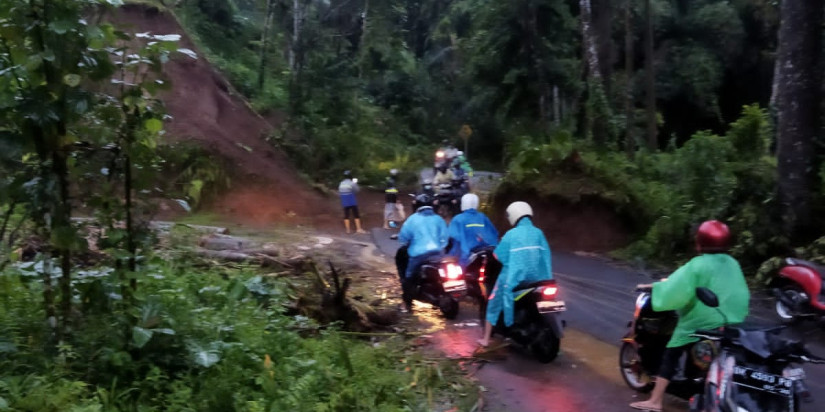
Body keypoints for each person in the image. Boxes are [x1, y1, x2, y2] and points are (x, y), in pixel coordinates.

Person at [629, 220, 750, 412]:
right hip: (733, 319)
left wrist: (656, 288)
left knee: (672, 351)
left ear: (700, 242)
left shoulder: (698, 264)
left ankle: (655, 401)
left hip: (702, 320)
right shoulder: (732, 263)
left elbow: (677, 290)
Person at [478, 201, 552, 347]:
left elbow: (499, 256)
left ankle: (486, 339)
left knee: (493, 301)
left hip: (514, 277)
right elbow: (546, 256)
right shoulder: (538, 233)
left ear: (513, 216)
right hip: (538, 278)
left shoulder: (511, 235)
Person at [396, 194, 448, 312]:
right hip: (438, 256)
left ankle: (407, 303)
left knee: (409, 276)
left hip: (418, 256)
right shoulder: (438, 219)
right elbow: (445, 238)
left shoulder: (412, 219)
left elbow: (403, 239)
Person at [448, 194, 498, 268]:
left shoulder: (458, 219)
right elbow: (494, 233)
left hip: (465, 257)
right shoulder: (482, 217)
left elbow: (452, 236)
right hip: (487, 253)